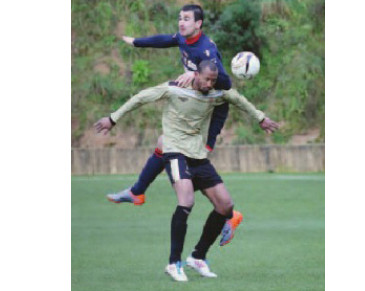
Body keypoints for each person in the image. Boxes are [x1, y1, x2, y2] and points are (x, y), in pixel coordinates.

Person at [94, 60, 279, 282]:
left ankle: (198, 256)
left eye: (213, 80)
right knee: (186, 200)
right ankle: (174, 263)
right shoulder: (174, 88)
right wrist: (113, 119)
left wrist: (261, 118)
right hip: (174, 151)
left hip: (198, 155)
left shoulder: (216, 93)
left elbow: (238, 99)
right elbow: (141, 97)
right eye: (206, 79)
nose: (209, 84)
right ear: (196, 75)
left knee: (225, 205)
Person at [111, 4, 232, 211]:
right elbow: (166, 40)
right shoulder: (184, 38)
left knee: (186, 164)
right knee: (165, 144)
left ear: (198, 23)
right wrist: (136, 42)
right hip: (194, 103)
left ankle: (229, 214)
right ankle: (137, 191)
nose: (181, 22)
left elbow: (226, 84)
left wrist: (194, 75)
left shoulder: (206, 50)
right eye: (180, 18)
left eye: (186, 19)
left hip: (208, 108)